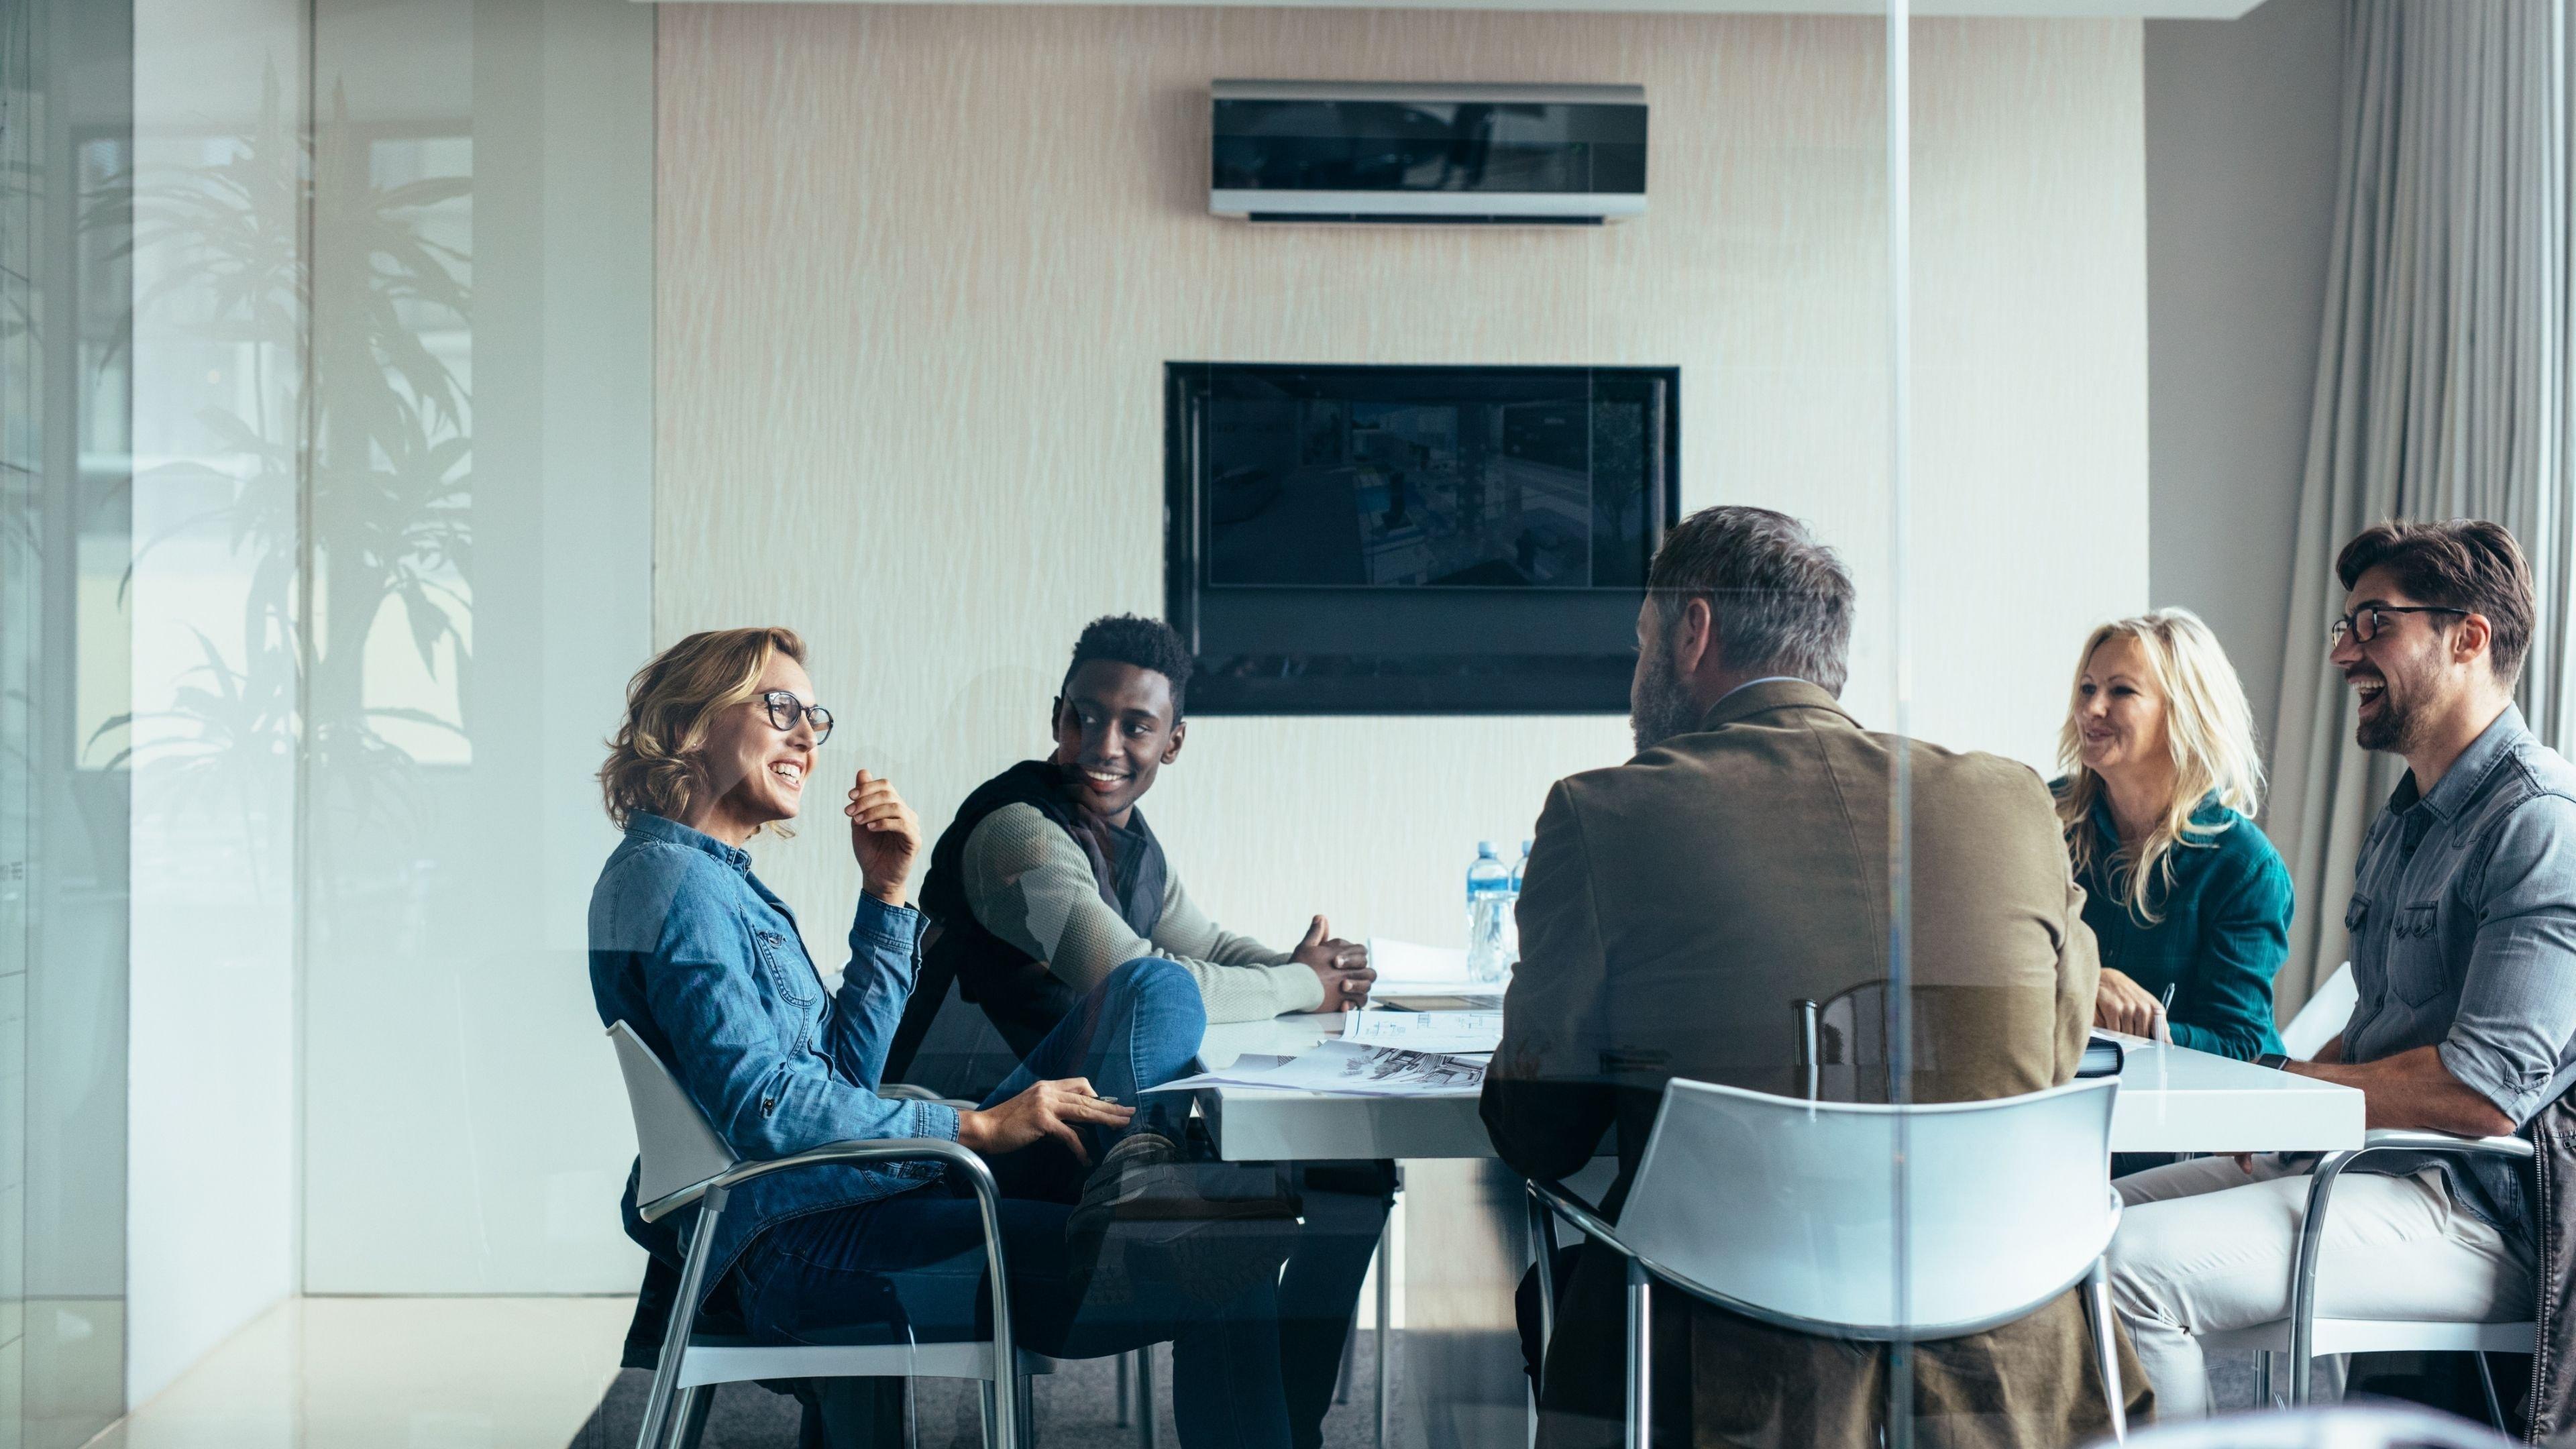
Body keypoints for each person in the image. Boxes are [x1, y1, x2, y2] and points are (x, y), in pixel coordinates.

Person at [1483, 505, 2147, 1449]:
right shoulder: (2011, 800)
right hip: (2010, 1360)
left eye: (1640, 643)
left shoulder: (1604, 813)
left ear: (1693, 631)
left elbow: (1537, 1130)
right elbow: (2046, 1055)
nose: (1635, 678)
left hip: (1720, 1376)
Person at [587, 627, 1295, 1449]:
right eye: (778, 707)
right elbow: (764, 1106)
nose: (805, 736)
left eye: (813, 717)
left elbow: (848, 1078)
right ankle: (1141, 1202)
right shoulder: (677, 885)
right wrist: (974, 1127)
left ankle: (1140, 1185)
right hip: (815, 1247)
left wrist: (885, 896)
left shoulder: (713, 885)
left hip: (854, 1199)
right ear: (690, 722)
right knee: (1224, 1255)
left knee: (1155, 989)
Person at [2107, 519, 2576, 1420]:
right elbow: (2375, 1035)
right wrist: (2290, 1103)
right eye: (2344, 626)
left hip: (2481, 1212)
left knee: (2131, 1276)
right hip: (2370, 1168)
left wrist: (2287, 1086)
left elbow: (2480, 1093)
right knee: (2077, 1232)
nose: (2343, 653)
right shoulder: (2404, 825)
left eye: (2374, 625)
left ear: (2468, 638)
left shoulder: (2541, 825)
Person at [892, 614, 1388, 1449]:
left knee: (1350, 1172)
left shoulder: (1128, 840)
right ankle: (1143, 1197)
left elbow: (1211, 945)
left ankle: (1288, 1426)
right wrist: (1302, 985)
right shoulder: (1019, 832)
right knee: (1161, 1019)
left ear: (1175, 741)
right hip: (973, 1136)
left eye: (1136, 725)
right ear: (1057, 717)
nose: (1103, 743)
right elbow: (1142, 977)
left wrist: (1306, 969)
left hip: (1072, 1132)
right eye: (1083, 717)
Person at [2054, 609, 2292, 1063]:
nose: (2090, 709)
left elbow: (2239, 1045)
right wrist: (2089, 982)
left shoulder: (2245, 867)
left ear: (2185, 712)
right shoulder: (2046, 819)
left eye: (2120, 691)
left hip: (2197, 1119)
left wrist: (2136, 1027)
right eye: (2087, 688)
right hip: (2072, 1100)